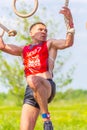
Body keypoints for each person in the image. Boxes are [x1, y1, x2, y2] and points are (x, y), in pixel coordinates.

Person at [0, 6, 75, 130]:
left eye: (46, 30)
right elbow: (2, 46)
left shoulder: (50, 44)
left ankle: (46, 120)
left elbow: (68, 43)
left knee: (33, 79)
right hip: (31, 91)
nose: (44, 32)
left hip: (46, 86)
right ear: (31, 33)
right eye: (40, 29)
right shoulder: (23, 49)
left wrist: (70, 22)